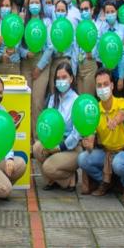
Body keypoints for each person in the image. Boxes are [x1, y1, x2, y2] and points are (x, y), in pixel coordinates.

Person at [78, 68, 124, 203]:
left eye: (105, 84)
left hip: (122, 151)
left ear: (112, 85)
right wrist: (88, 144)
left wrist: (115, 121)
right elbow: (91, 135)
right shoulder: (94, 109)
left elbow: (123, 113)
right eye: (99, 85)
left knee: (119, 164)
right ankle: (106, 182)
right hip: (105, 153)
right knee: (82, 159)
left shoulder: (121, 101)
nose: (102, 88)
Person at [33, 62, 80, 191]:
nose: (61, 81)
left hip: (71, 147)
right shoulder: (53, 98)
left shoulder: (76, 101)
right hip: (54, 141)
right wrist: (48, 143)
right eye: (58, 78)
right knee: (37, 147)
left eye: (64, 77)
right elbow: (48, 123)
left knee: (47, 167)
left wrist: (59, 148)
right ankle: (53, 179)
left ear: (71, 79)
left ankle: (70, 179)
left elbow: (76, 135)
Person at [20, 0, 53, 138]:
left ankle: (37, 139)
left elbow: (50, 47)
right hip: (26, 62)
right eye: (32, 2)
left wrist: (39, 67)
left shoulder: (46, 22)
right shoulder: (23, 21)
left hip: (42, 63)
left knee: (37, 102)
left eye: (37, 2)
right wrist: (25, 53)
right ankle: (25, 139)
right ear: (28, 5)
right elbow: (17, 44)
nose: (34, 5)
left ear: (41, 4)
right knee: (25, 101)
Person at [0, 0, 22, 75]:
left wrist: (12, 50)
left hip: (14, 64)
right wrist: (1, 56)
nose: (4, 8)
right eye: (2, 5)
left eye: (7, 6)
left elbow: (19, 43)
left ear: (11, 7)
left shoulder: (16, 23)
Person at [76, 0, 98, 95]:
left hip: (90, 64)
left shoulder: (97, 26)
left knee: (88, 97)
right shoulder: (79, 27)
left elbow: (100, 47)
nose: (84, 12)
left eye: (86, 9)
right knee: (80, 97)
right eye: (81, 10)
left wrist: (91, 53)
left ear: (92, 10)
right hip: (79, 65)